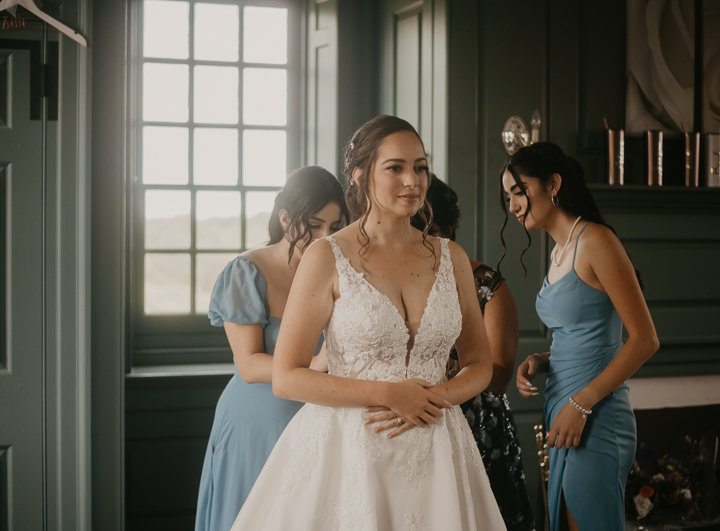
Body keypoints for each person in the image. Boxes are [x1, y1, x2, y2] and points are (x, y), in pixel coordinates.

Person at [229, 115, 507, 530]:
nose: (412, 180)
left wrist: (438, 398)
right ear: (359, 175)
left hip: (439, 450)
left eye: (420, 166)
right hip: (348, 453)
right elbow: (287, 377)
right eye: (395, 168)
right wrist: (390, 394)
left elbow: (481, 363)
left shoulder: (452, 258)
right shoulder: (326, 256)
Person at [501, 142, 659, 531]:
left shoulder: (596, 241)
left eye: (518, 192)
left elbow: (644, 339)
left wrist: (582, 404)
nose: (513, 206)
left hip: (596, 414)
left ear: (553, 183)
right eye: (508, 196)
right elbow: (583, 336)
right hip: (564, 409)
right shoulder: (558, 252)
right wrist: (543, 360)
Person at [195, 166, 349, 531]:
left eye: (334, 225)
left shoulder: (340, 269)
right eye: (313, 224)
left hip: (322, 419)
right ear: (285, 218)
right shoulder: (246, 271)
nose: (324, 236)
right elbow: (248, 365)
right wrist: (314, 363)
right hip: (260, 420)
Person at [411, 177, 536, 531]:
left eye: (433, 231)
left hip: (479, 425)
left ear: (452, 229)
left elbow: (497, 377)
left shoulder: (487, 286)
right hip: (413, 421)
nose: (423, 241)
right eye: (415, 229)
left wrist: (443, 369)